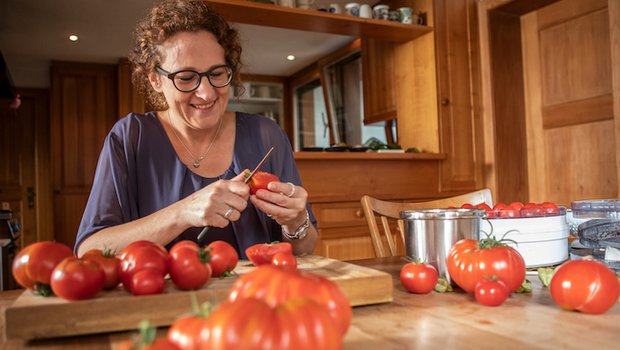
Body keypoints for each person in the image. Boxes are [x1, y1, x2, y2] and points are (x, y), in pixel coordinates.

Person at [75, 0, 317, 258]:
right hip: (161, 298)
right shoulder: (130, 137)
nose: (206, 92)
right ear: (155, 79)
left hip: (255, 294)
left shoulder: (266, 135)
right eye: (187, 78)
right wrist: (183, 213)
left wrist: (295, 222)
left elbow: (305, 248)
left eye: (217, 73)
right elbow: (89, 250)